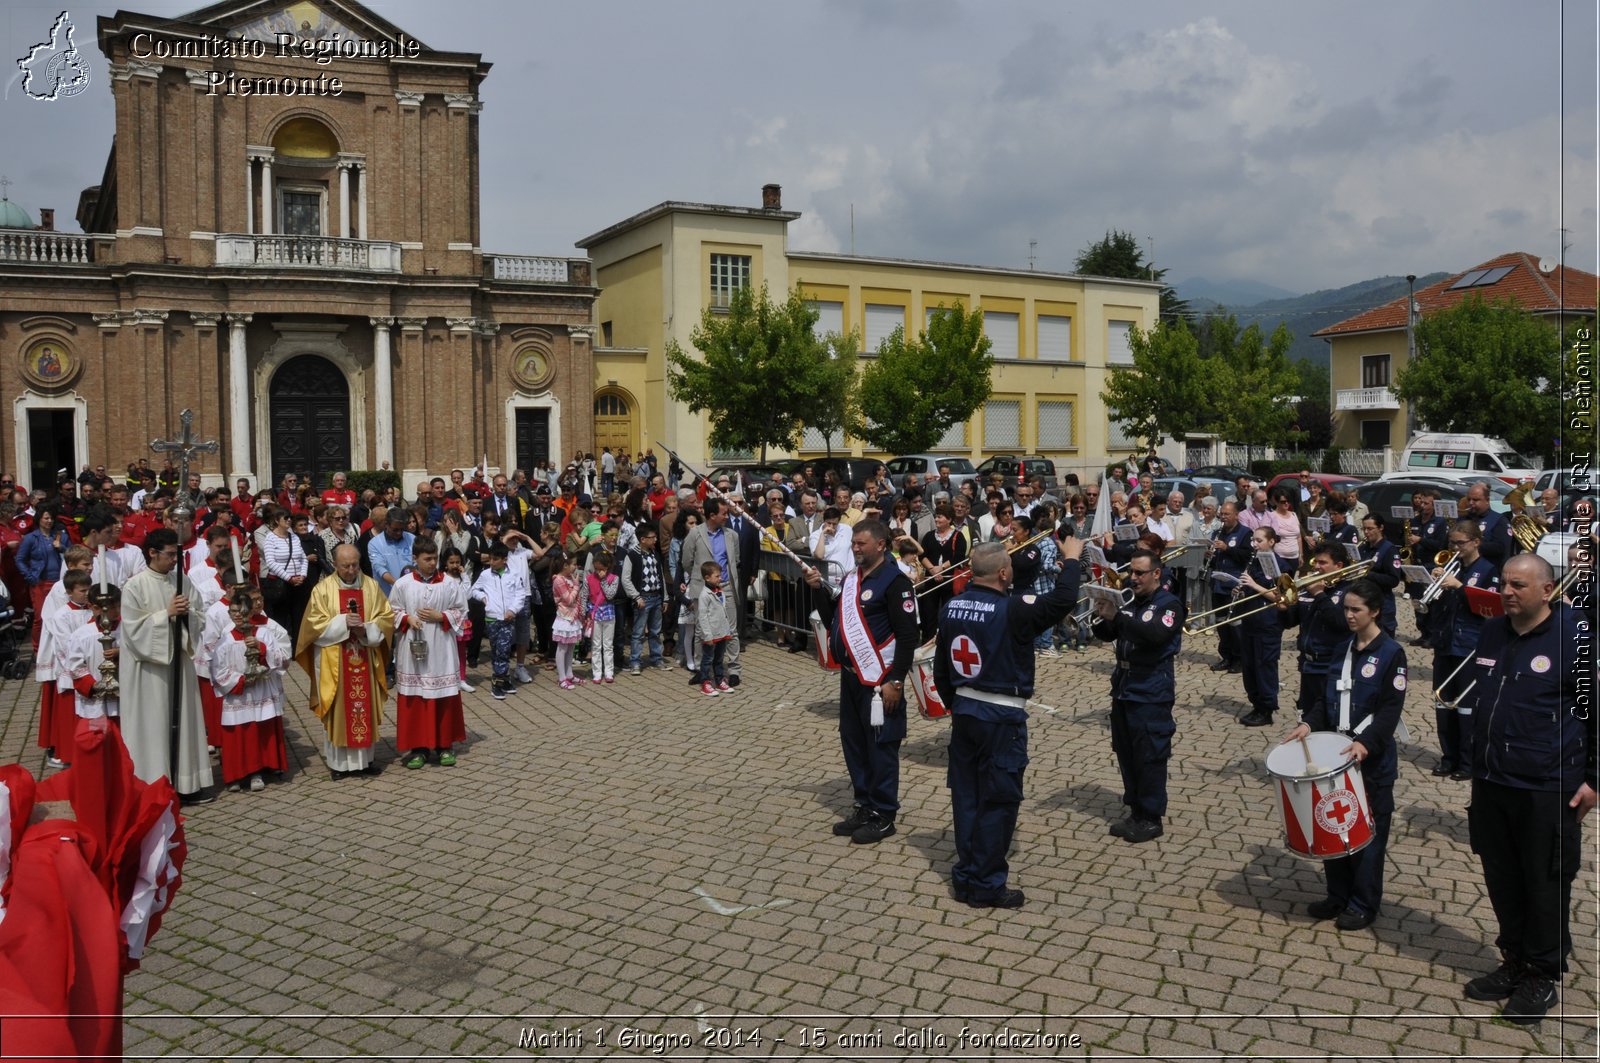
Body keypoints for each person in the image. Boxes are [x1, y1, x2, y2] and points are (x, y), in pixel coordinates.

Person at [1461, 554, 1596, 1025]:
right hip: (1493, 779)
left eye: (1518, 584)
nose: (1507, 591)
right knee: (1502, 875)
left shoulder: (1575, 639)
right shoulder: (1494, 630)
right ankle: (1513, 958)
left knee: (1544, 881)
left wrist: (1594, 781)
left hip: (1547, 785)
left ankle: (1543, 971)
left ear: (1548, 590)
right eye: (1503, 583)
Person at [933, 535, 1083, 908]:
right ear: (1003, 572)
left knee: (967, 798)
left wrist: (958, 702)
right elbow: (1063, 600)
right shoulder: (1013, 608)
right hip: (1000, 716)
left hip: (965, 712)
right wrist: (1073, 560)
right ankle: (986, 884)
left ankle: (966, 875)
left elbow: (939, 671)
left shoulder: (951, 606)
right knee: (998, 800)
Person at [1281, 578, 1407, 932]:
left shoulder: (1392, 653)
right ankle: (1337, 894)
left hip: (1371, 760)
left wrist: (1366, 743)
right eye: (1346, 609)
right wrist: (1308, 725)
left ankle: (1363, 902)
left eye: (1357, 610)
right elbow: (1325, 701)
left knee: (1367, 833)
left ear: (1375, 612)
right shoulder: (1342, 649)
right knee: (1334, 826)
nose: (1349, 615)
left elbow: (1389, 710)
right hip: (1335, 756)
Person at [804, 519, 920, 845]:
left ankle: (884, 814)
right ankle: (864, 804)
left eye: (861, 544)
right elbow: (833, 621)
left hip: (880, 681)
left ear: (881, 545)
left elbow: (909, 635)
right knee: (853, 742)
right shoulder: (853, 579)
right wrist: (817, 592)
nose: (855, 548)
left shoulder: (895, 583)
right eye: (854, 543)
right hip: (852, 677)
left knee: (881, 746)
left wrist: (896, 680)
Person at [1091, 548, 1183, 843]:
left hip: (1151, 687)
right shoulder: (1130, 599)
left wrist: (1119, 617)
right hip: (1125, 686)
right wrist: (1104, 616)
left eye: (1139, 573)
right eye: (1131, 572)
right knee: (1126, 750)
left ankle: (1151, 816)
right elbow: (1108, 635)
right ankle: (1136, 809)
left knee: (1150, 753)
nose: (1133, 577)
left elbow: (1153, 635)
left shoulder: (1168, 604)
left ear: (1156, 573)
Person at [120, 529, 214, 802]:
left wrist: (187, 618)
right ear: (152, 552)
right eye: (170, 554)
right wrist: (167, 615)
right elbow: (133, 631)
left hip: (179, 664)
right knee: (154, 723)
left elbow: (200, 616)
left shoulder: (182, 581)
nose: (175, 560)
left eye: (177, 554)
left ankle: (186, 783)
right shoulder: (134, 586)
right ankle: (154, 786)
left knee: (183, 719)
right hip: (150, 671)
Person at [295, 543, 394, 779]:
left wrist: (365, 630)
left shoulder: (370, 586)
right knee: (339, 711)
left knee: (363, 708)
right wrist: (342, 624)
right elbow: (312, 626)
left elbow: (385, 619)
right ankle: (339, 766)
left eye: (354, 565)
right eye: (345, 566)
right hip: (335, 662)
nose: (351, 570)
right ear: (335, 565)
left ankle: (365, 762)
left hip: (364, 657)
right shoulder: (323, 590)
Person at [1429, 519, 1498, 779]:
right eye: (1452, 542)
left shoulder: (1489, 570)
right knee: (1442, 704)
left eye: (1460, 543)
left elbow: (1488, 609)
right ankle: (1449, 758)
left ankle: (1467, 763)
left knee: (1466, 708)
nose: (1455, 548)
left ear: (1476, 542)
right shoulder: (1452, 567)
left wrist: (1459, 587)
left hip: (1469, 646)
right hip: (1445, 642)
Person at [390, 537, 469, 765]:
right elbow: (391, 610)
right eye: (427, 559)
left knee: (443, 695)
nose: (432, 563)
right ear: (415, 559)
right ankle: (419, 748)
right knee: (416, 698)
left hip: (441, 647)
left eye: (434, 558)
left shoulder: (449, 584)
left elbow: (462, 611)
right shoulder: (403, 584)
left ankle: (445, 746)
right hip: (413, 648)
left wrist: (441, 616)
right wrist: (407, 618)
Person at [209, 584, 291, 793]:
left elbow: (283, 660)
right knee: (238, 735)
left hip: (261, 691)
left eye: (242, 611)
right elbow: (217, 670)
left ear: (250, 610)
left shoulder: (264, 633)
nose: (238, 616)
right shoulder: (225, 638)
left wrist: (261, 649)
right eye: (234, 611)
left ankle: (256, 772)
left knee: (257, 733)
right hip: (239, 694)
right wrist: (241, 680)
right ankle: (235, 775)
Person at [1233, 525, 1287, 728]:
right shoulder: (1254, 562)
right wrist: (1240, 591)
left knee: (1264, 666)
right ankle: (1256, 703)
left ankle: (1267, 708)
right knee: (1249, 666)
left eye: (1259, 541)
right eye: (1253, 541)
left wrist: (1254, 585)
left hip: (1268, 622)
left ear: (1271, 542)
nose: (1254, 544)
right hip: (1250, 621)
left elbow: (1281, 598)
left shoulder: (1279, 565)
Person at [472, 541, 527, 700]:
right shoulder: (485, 575)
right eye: (490, 559)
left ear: (504, 559)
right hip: (491, 619)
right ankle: (505, 679)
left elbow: (520, 594)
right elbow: (474, 590)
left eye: (496, 559)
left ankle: (497, 682)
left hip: (507, 619)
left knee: (504, 649)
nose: (492, 562)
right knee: (497, 650)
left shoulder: (514, 574)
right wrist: (483, 597)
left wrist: (512, 610)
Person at [1357, 514, 1403, 636]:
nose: (1366, 532)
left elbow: (1393, 580)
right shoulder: (1363, 548)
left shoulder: (1389, 549)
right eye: (1364, 529)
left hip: (1382, 604)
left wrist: (1367, 574)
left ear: (1380, 528)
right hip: (1363, 602)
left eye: (1370, 528)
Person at [695, 560, 734, 696]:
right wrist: (707, 635)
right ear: (707, 578)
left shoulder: (719, 590)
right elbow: (703, 617)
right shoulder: (704, 595)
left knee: (719, 658)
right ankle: (705, 682)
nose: (720, 578)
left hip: (721, 631)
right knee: (707, 659)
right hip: (711, 634)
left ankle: (719, 680)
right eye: (717, 576)